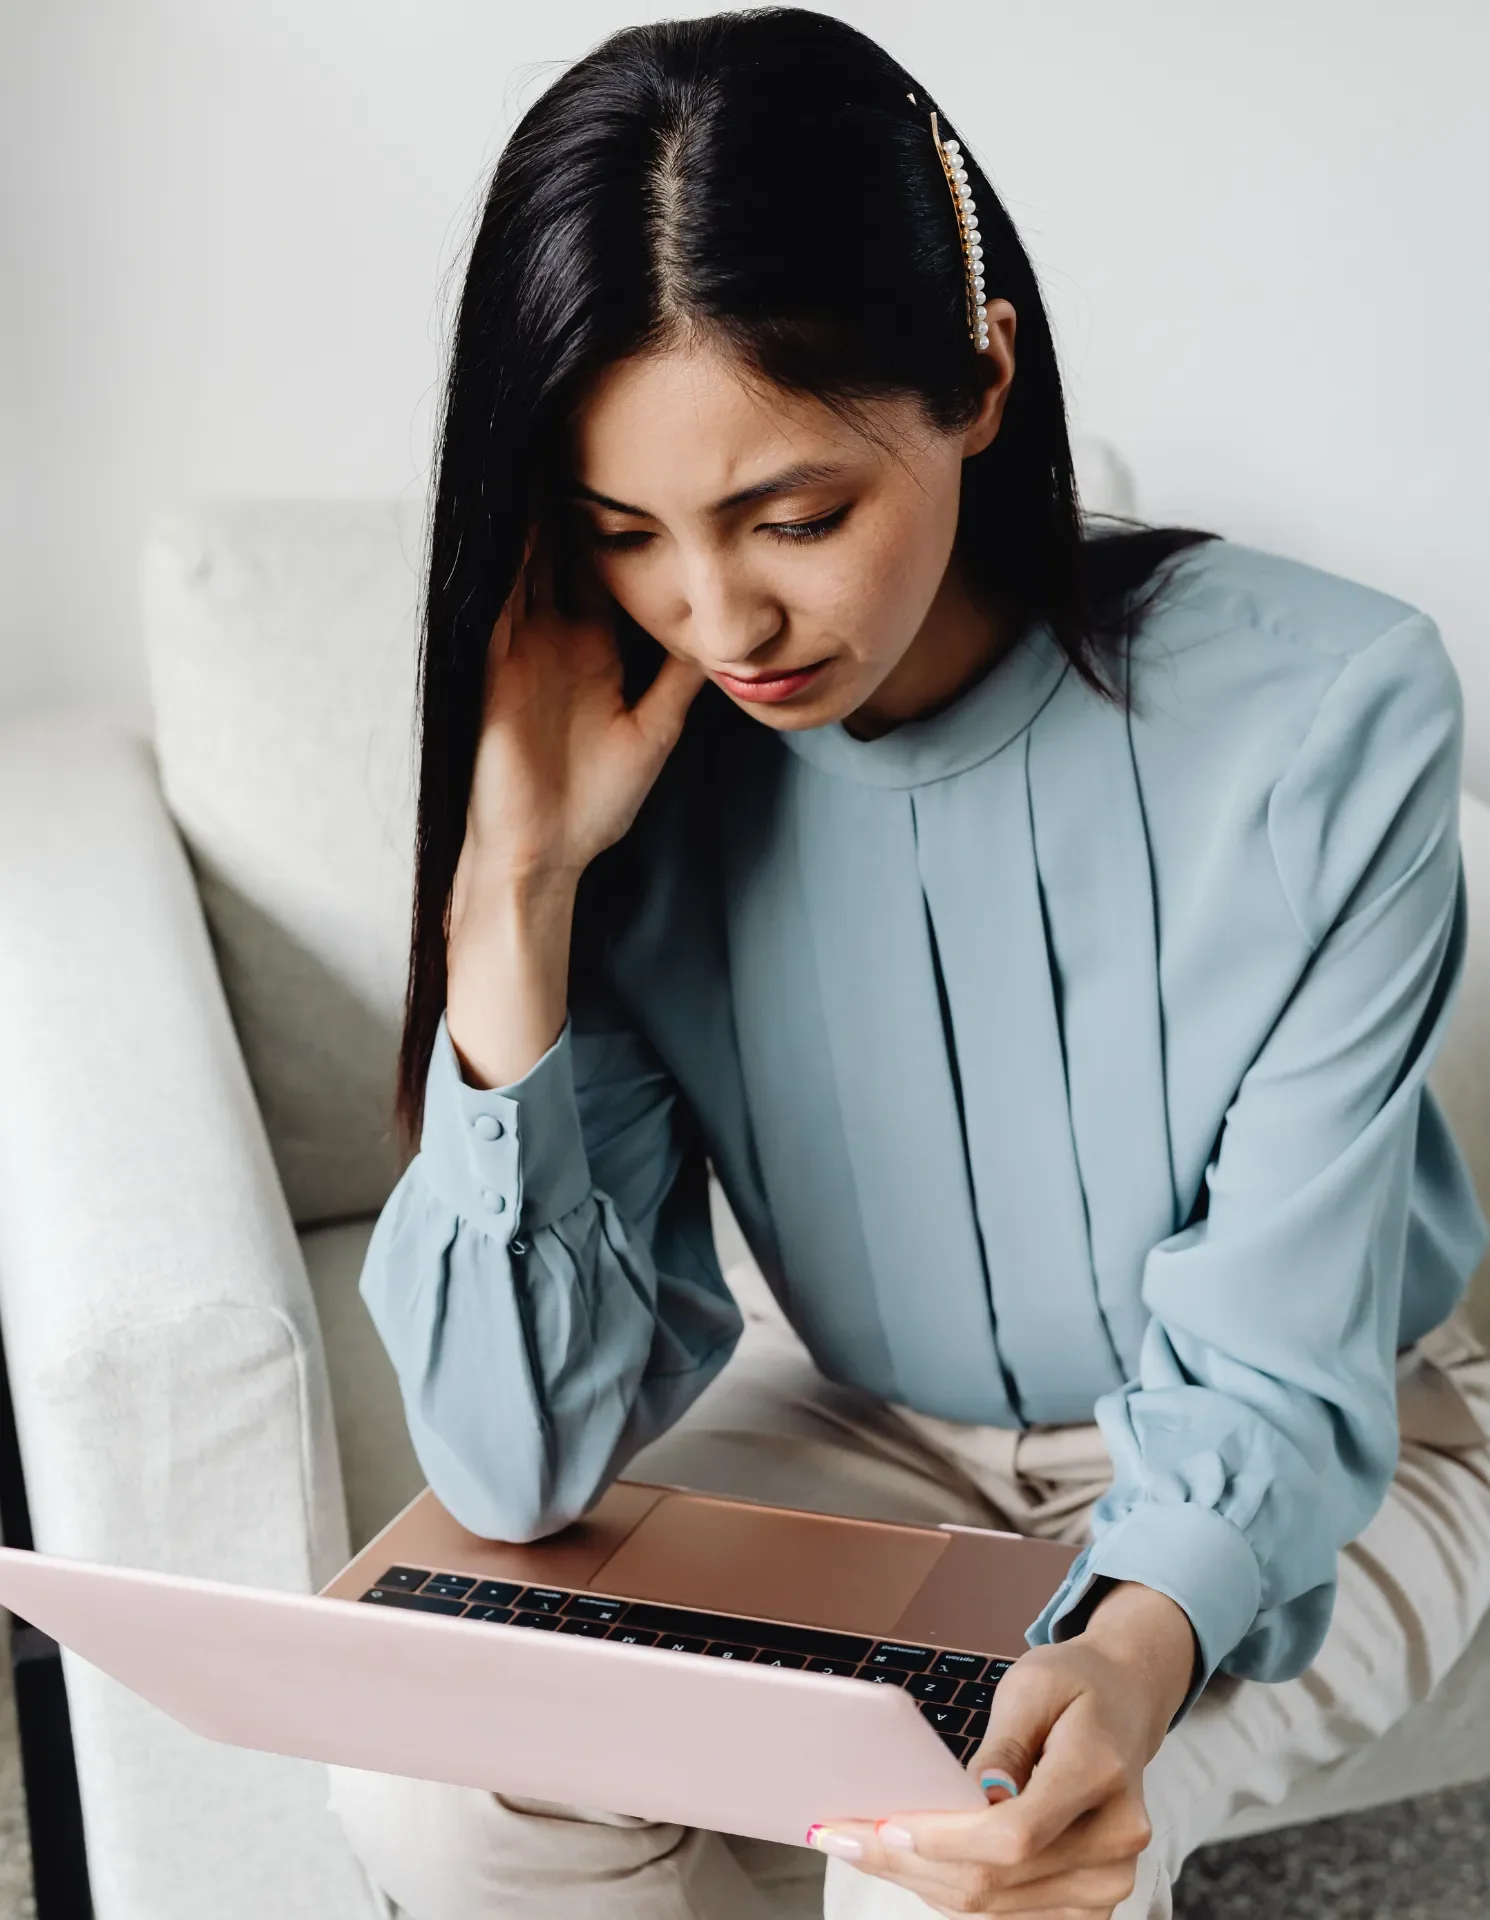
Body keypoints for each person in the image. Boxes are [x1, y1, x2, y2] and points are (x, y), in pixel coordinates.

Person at [325, 8, 1490, 1917]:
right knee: (439, 1787)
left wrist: (1124, 1654)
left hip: (1310, 1458)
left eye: (794, 516)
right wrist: (510, 887)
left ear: (981, 379)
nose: (721, 615)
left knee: (943, 1865)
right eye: (629, 534)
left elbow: (1275, 1361)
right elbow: (515, 1464)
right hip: (866, 1433)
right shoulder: (633, 753)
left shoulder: (1327, 712)